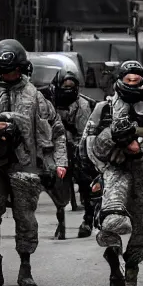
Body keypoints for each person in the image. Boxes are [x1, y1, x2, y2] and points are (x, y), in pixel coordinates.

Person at [0, 39, 68, 286]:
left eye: (13, 69)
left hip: (26, 166)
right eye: (4, 70)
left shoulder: (36, 98)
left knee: (25, 219)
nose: (9, 74)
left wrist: (59, 163)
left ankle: (25, 267)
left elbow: (56, 132)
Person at [84, 60, 143, 286]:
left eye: (137, 80)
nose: (133, 84)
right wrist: (104, 164)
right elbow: (88, 144)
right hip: (115, 170)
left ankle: (132, 270)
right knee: (112, 217)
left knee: (141, 226)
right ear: (120, 81)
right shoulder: (104, 109)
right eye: (129, 80)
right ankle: (114, 260)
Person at [41, 68, 94, 239]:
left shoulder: (82, 106)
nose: (68, 89)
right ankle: (60, 221)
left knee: (86, 180)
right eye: (65, 85)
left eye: (72, 85)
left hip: (76, 146)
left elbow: (84, 133)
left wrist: (78, 153)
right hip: (54, 146)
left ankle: (88, 218)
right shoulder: (48, 102)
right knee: (55, 183)